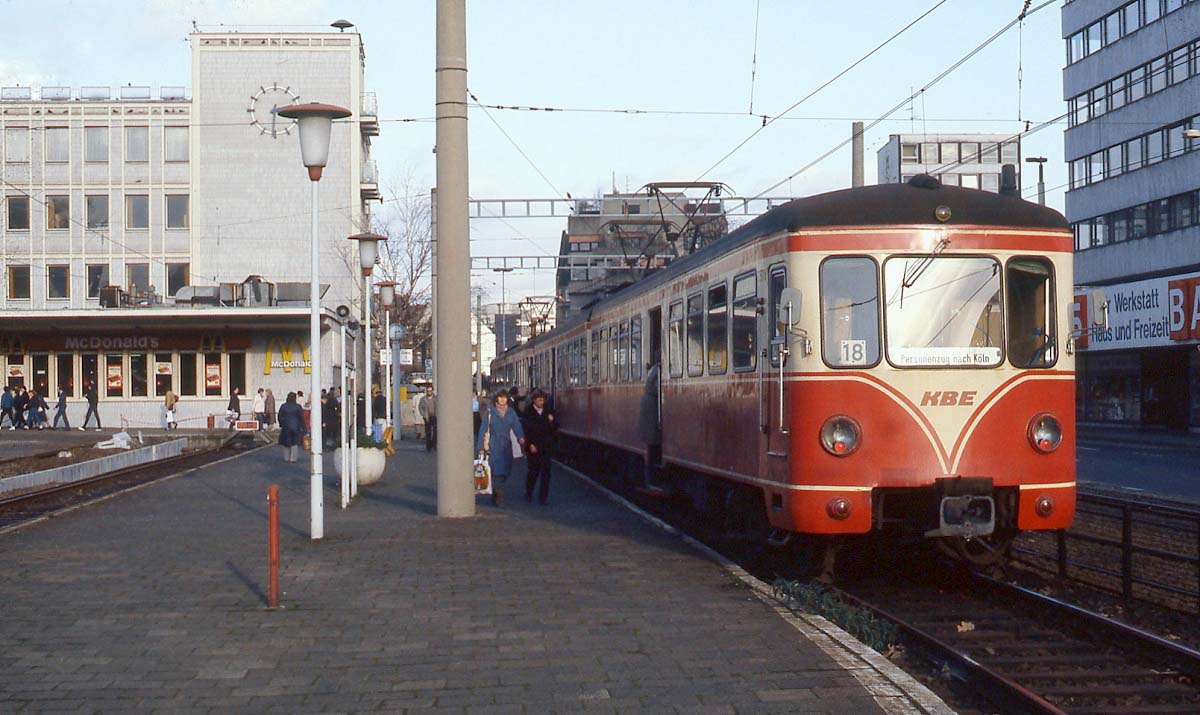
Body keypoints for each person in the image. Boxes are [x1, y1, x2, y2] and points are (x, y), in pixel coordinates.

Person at [475, 391, 525, 508]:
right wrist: (481, 448)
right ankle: (500, 497)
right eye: (500, 398)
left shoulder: (511, 412)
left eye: (504, 398)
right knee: (497, 471)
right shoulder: (490, 412)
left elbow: (516, 425)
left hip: (506, 446)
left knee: (506, 471)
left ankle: (496, 492)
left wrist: (521, 437)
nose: (502, 400)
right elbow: (483, 429)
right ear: (496, 399)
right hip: (493, 445)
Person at [522, 389, 557, 505]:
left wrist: (552, 422)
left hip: (546, 446)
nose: (541, 402)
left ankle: (543, 498)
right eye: (539, 400)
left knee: (546, 473)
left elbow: (554, 429)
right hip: (534, 446)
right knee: (533, 472)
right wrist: (530, 444)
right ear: (534, 400)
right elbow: (526, 430)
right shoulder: (528, 412)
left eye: (543, 400)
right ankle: (528, 493)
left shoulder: (548, 411)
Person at [638, 360, 662, 487]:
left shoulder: (653, 371)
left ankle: (649, 478)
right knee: (651, 445)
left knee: (650, 445)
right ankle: (650, 479)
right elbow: (658, 388)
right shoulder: (657, 371)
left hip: (649, 409)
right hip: (652, 409)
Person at [277, 392, 305, 463]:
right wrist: (303, 427)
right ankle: (293, 458)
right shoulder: (298, 407)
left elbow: (279, 416)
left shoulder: (283, 406)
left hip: (286, 426)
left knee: (286, 442)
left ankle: (286, 458)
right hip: (295, 426)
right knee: (295, 442)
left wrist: (281, 424)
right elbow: (301, 417)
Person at [418, 386, 437, 451]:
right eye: (428, 391)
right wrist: (423, 415)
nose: (429, 392)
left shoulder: (436, 398)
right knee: (428, 432)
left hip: (435, 416)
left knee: (435, 431)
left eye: (430, 391)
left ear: (432, 391)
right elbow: (420, 407)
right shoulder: (423, 399)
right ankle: (428, 446)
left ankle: (434, 445)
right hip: (427, 417)